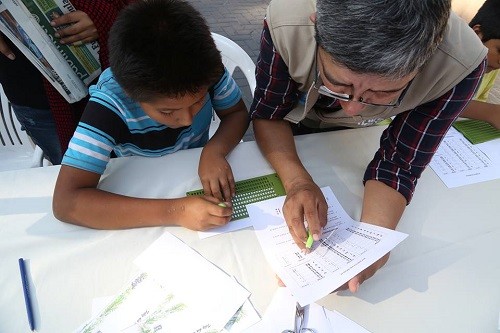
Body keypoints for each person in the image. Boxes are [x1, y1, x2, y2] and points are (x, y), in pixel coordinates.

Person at [250, 0, 487, 292]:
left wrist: (373, 240)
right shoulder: (287, 22)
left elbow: (400, 161)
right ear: (316, 25)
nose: (351, 109)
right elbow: (268, 114)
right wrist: (297, 181)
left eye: (383, 92)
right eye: (337, 83)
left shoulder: (460, 66)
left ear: (429, 57)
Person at [52, 0, 249, 230]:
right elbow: (66, 202)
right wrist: (177, 211)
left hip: (190, 172)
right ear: (129, 92)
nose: (187, 120)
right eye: (167, 111)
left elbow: (237, 113)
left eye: (198, 101)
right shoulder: (110, 102)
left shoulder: (205, 72)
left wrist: (214, 151)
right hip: (137, 193)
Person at [0, 1, 128, 164]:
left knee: (137, 169)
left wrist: (109, 16)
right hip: (34, 95)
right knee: (71, 168)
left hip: (121, 82)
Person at [458, 0, 500, 129]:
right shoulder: (444, 58)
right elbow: (425, 99)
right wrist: (488, 112)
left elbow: (480, 99)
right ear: (477, 33)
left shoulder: (490, 68)